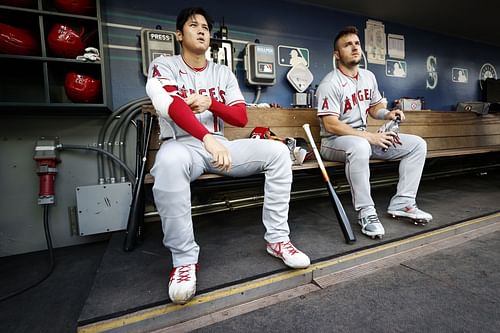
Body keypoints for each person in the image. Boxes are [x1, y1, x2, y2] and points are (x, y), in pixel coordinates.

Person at [145, 7, 310, 305]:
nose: (201, 30)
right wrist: (207, 138)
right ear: (179, 34)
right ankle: (184, 261)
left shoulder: (222, 73)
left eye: (206, 27)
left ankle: (277, 240)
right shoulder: (163, 65)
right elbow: (171, 105)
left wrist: (210, 103)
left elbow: (239, 117)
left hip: (221, 147)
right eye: (193, 25)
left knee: (276, 151)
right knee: (167, 163)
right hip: (182, 146)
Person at [315, 26, 432, 239]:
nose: (354, 48)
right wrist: (369, 137)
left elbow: (374, 108)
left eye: (357, 43)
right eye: (347, 45)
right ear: (337, 54)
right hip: (334, 142)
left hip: (362, 139)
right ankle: (366, 212)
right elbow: (331, 125)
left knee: (417, 144)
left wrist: (389, 114)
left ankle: (403, 203)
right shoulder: (330, 84)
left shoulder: (368, 77)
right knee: (360, 146)